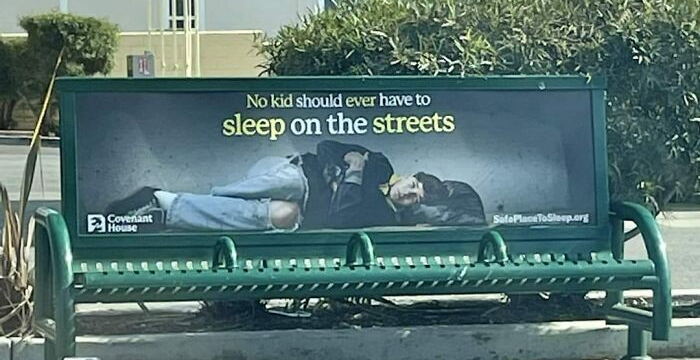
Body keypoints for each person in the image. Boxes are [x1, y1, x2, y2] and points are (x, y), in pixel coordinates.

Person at [104, 140, 466, 232]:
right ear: (408, 175)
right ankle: (189, 199)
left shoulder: (382, 216)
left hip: (303, 207)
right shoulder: (382, 163)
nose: (409, 192)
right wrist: (335, 172)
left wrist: (350, 173)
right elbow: (326, 149)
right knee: (294, 183)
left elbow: (340, 218)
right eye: (414, 183)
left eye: (415, 196)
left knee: (283, 214)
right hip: (285, 172)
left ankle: (164, 203)